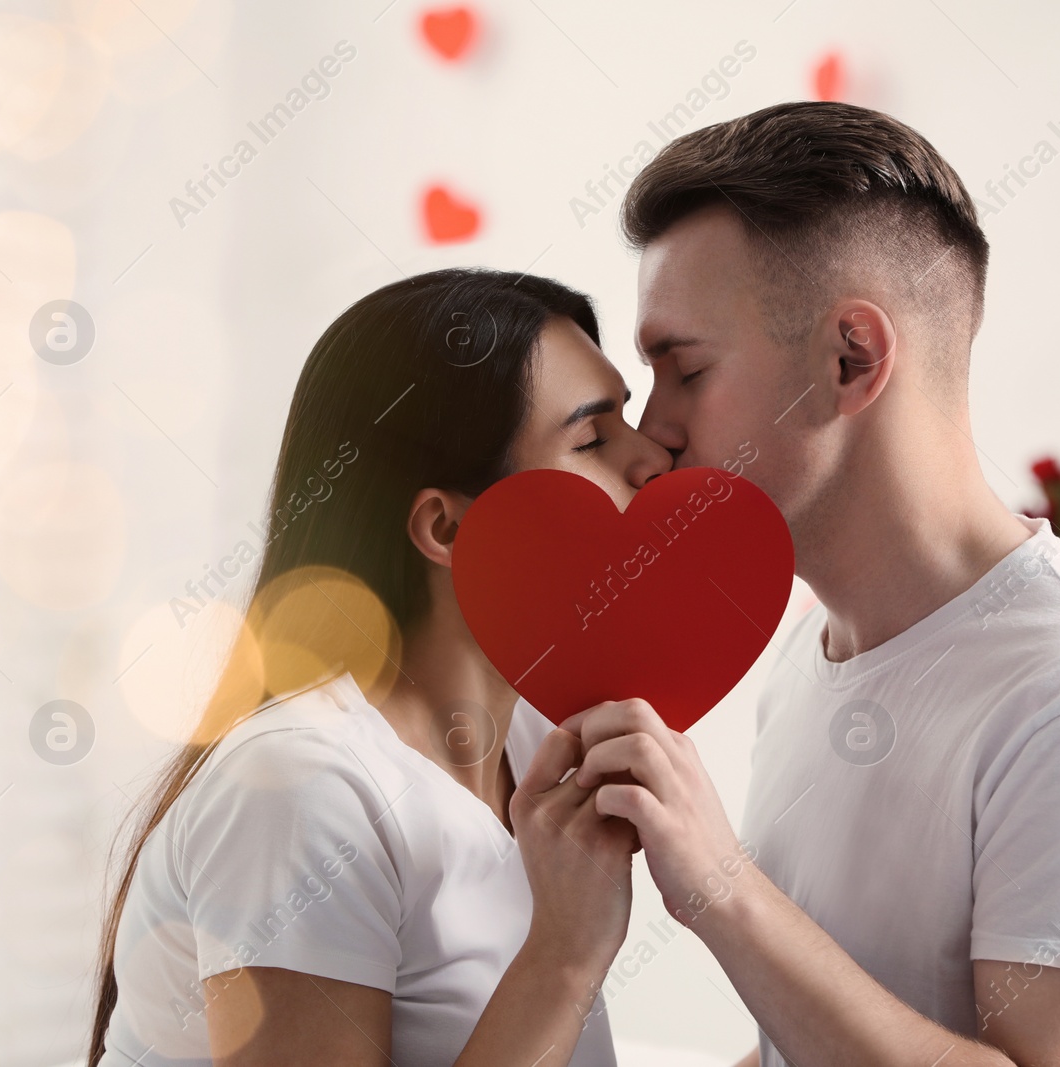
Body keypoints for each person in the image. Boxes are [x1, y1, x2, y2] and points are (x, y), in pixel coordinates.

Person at [560, 102, 1060, 1065]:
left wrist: (725, 890)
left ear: (849, 358)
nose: (653, 428)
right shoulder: (808, 652)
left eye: (684, 370)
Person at [88, 268, 672, 1067]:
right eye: (594, 437)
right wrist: (566, 957)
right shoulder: (302, 786)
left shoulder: (540, 740)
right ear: (447, 527)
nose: (656, 457)